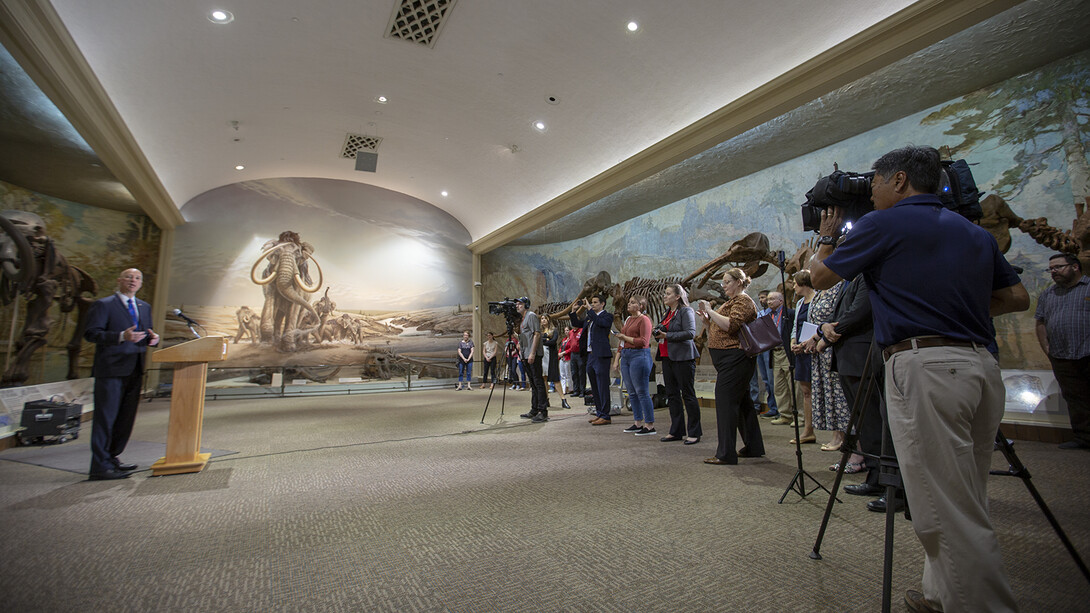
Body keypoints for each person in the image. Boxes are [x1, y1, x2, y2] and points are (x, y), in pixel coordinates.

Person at [810, 145, 1028, 613]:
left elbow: (820, 277)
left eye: (874, 183)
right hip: (981, 369)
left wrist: (827, 237)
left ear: (900, 180)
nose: (869, 192)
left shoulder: (882, 224)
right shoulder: (971, 230)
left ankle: (985, 607)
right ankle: (943, 594)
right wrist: (953, 311)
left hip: (927, 369)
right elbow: (1016, 297)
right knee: (965, 492)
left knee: (940, 503)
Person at [84, 268, 160, 480]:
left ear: (141, 283)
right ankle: (99, 466)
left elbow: (143, 335)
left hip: (135, 368)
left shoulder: (144, 307)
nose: (133, 281)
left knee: (124, 419)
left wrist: (153, 340)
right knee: (105, 418)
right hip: (111, 370)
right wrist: (119, 336)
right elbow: (91, 334)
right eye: (128, 277)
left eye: (137, 278)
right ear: (120, 280)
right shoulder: (104, 305)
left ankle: (112, 458)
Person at [696, 268, 764, 465]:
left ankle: (725, 453)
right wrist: (708, 323)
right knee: (743, 403)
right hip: (728, 360)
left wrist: (710, 311)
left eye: (727, 282)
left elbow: (732, 326)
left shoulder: (743, 301)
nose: (724, 285)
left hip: (736, 359)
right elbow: (718, 330)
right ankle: (754, 446)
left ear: (739, 282)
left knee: (725, 404)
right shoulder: (731, 302)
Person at [1035, 252, 1090, 449]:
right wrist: (1047, 349)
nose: (1053, 272)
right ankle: (1084, 438)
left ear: (1075, 267)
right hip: (1062, 356)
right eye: (1050, 269)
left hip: (1087, 353)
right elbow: (1040, 322)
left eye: (1058, 267)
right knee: (1075, 398)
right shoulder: (1048, 294)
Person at [654, 283, 701, 444]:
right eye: (665, 293)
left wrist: (666, 335)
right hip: (667, 357)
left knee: (688, 395)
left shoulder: (686, 311)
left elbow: (690, 333)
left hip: (683, 358)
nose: (664, 296)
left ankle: (694, 432)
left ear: (677, 296)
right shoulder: (667, 313)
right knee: (672, 395)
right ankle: (676, 430)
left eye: (668, 294)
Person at [615, 295, 654, 436]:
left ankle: (649, 424)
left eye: (633, 302)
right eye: (629, 302)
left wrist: (624, 337)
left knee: (642, 391)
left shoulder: (644, 320)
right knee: (631, 392)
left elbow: (644, 341)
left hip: (639, 355)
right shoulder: (629, 319)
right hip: (626, 356)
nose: (629, 304)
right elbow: (622, 342)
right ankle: (638, 422)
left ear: (641, 306)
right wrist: (617, 359)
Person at [574, 294, 614, 425]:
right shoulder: (590, 318)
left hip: (601, 355)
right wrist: (574, 312)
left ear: (602, 304)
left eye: (596, 302)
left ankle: (606, 415)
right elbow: (576, 324)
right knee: (594, 386)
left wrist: (590, 310)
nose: (593, 304)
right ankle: (599, 412)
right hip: (590, 355)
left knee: (602, 385)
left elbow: (601, 323)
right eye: (592, 302)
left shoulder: (607, 316)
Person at [789, 271, 817, 444]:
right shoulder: (799, 303)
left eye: (795, 283)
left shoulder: (817, 299)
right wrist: (793, 341)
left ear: (803, 283)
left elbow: (818, 324)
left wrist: (807, 342)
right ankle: (808, 430)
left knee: (820, 390)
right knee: (805, 391)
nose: (793, 286)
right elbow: (795, 326)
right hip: (801, 351)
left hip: (814, 349)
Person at [765, 291, 798, 427]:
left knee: (793, 384)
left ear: (781, 301)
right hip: (774, 352)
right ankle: (785, 415)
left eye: (772, 299)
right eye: (768, 299)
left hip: (787, 351)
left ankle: (800, 416)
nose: (769, 302)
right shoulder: (768, 315)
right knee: (779, 386)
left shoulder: (789, 314)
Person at [515, 297, 548, 422]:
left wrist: (533, 353)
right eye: (517, 304)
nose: (517, 306)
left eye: (520, 304)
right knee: (533, 383)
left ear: (526, 305)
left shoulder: (531, 315)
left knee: (538, 383)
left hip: (533, 354)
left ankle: (543, 411)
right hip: (525, 354)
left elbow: (537, 334)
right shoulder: (523, 318)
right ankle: (534, 409)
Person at [754, 290, 778, 418]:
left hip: (771, 349)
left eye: (765, 298)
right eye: (761, 298)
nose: (763, 300)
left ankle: (778, 408)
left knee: (772, 380)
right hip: (761, 349)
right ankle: (772, 407)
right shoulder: (760, 314)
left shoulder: (775, 315)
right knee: (766, 380)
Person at [541, 315, 570, 409]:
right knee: (544, 378)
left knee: (555, 378)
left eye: (545, 318)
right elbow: (538, 341)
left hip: (551, 356)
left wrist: (543, 341)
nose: (543, 320)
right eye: (542, 318)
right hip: (542, 356)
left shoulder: (554, 330)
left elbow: (553, 342)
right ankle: (546, 399)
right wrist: (546, 339)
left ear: (549, 320)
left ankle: (563, 399)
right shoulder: (540, 331)